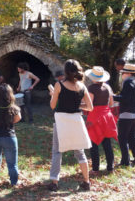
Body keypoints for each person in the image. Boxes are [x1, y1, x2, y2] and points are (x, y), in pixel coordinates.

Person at [48, 59, 93, 191]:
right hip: (76, 120)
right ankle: (86, 181)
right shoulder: (82, 86)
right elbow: (90, 107)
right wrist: (76, 103)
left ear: (66, 71)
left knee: (57, 152)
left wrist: (53, 95)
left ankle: (54, 182)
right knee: (80, 153)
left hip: (62, 120)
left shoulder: (59, 85)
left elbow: (52, 105)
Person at [84, 66, 117, 173]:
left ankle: (95, 168)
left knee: (94, 144)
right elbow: (111, 104)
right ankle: (110, 167)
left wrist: (78, 105)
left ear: (92, 78)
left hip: (95, 117)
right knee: (107, 143)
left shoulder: (91, 88)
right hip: (107, 116)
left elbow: (90, 105)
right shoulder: (108, 87)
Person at [113, 64, 135, 167]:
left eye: (123, 73)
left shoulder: (128, 82)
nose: (121, 75)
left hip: (127, 114)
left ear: (128, 73)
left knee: (122, 138)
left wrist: (112, 97)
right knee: (132, 137)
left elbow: (125, 98)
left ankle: (125, 162)